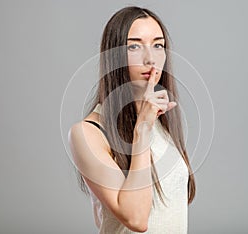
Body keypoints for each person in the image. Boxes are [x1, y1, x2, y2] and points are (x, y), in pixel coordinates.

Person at [68, 6, 196, 233]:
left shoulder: (162, 121)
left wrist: (148, 121)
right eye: (134, 46)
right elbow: (136, 219)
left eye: (158, 45)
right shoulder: (88, 133)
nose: (151, 58)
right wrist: (142, 129)